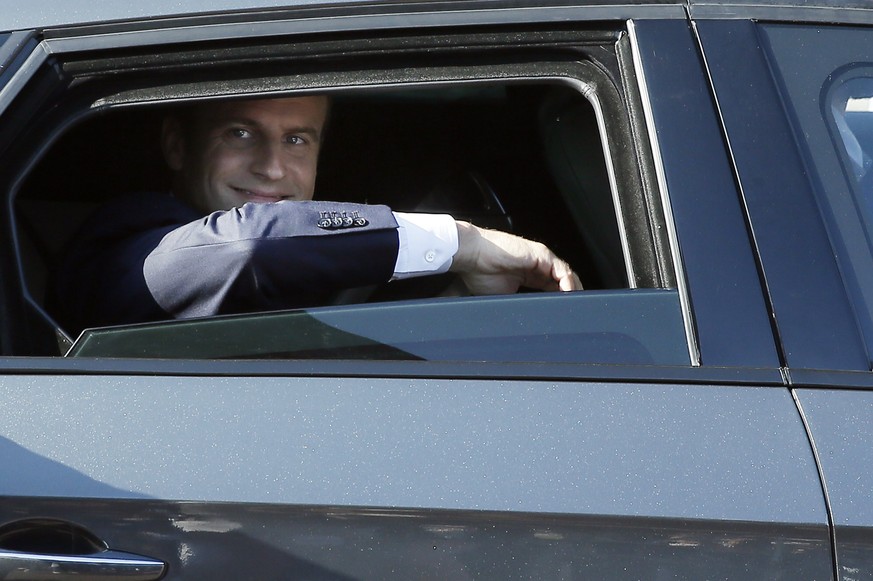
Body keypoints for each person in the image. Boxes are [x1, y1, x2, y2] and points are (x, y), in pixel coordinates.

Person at [54, 95, 582, 334]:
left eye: (297, 139)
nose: (272, 167)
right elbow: (245, 246)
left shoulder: (312, 260)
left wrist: (461, 299)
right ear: (177, 145)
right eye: (240, 132)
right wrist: (461, 242)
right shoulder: (128, 239)